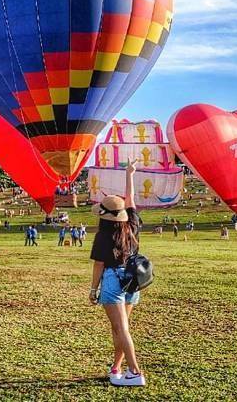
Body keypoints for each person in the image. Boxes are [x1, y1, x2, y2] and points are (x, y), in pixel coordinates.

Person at [89, 159, 145, 387]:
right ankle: (116, 367)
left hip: (113, 280)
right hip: (132, 280)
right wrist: (129, 174)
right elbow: (130, 200)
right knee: (121, 328)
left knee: (121, 328)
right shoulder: (132, 223)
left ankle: (135, 372)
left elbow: (98, 265)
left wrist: (93, 290)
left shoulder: (104, 235)